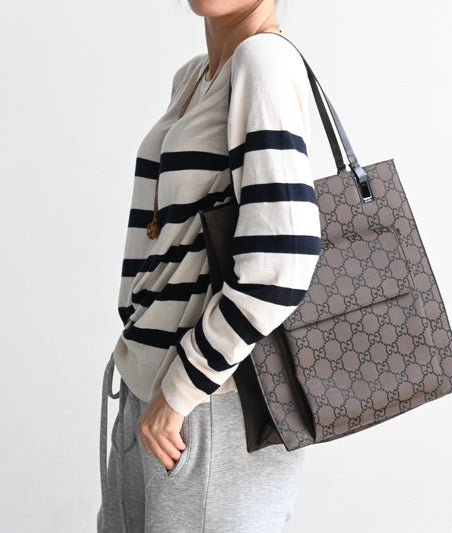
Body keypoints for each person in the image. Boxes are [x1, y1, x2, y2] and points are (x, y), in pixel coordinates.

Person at [97, 0, 322, 531]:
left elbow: (284, 258)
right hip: (151, 390)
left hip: (209, 403)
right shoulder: (193, 77)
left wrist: (180, 393)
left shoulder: (264, 62)